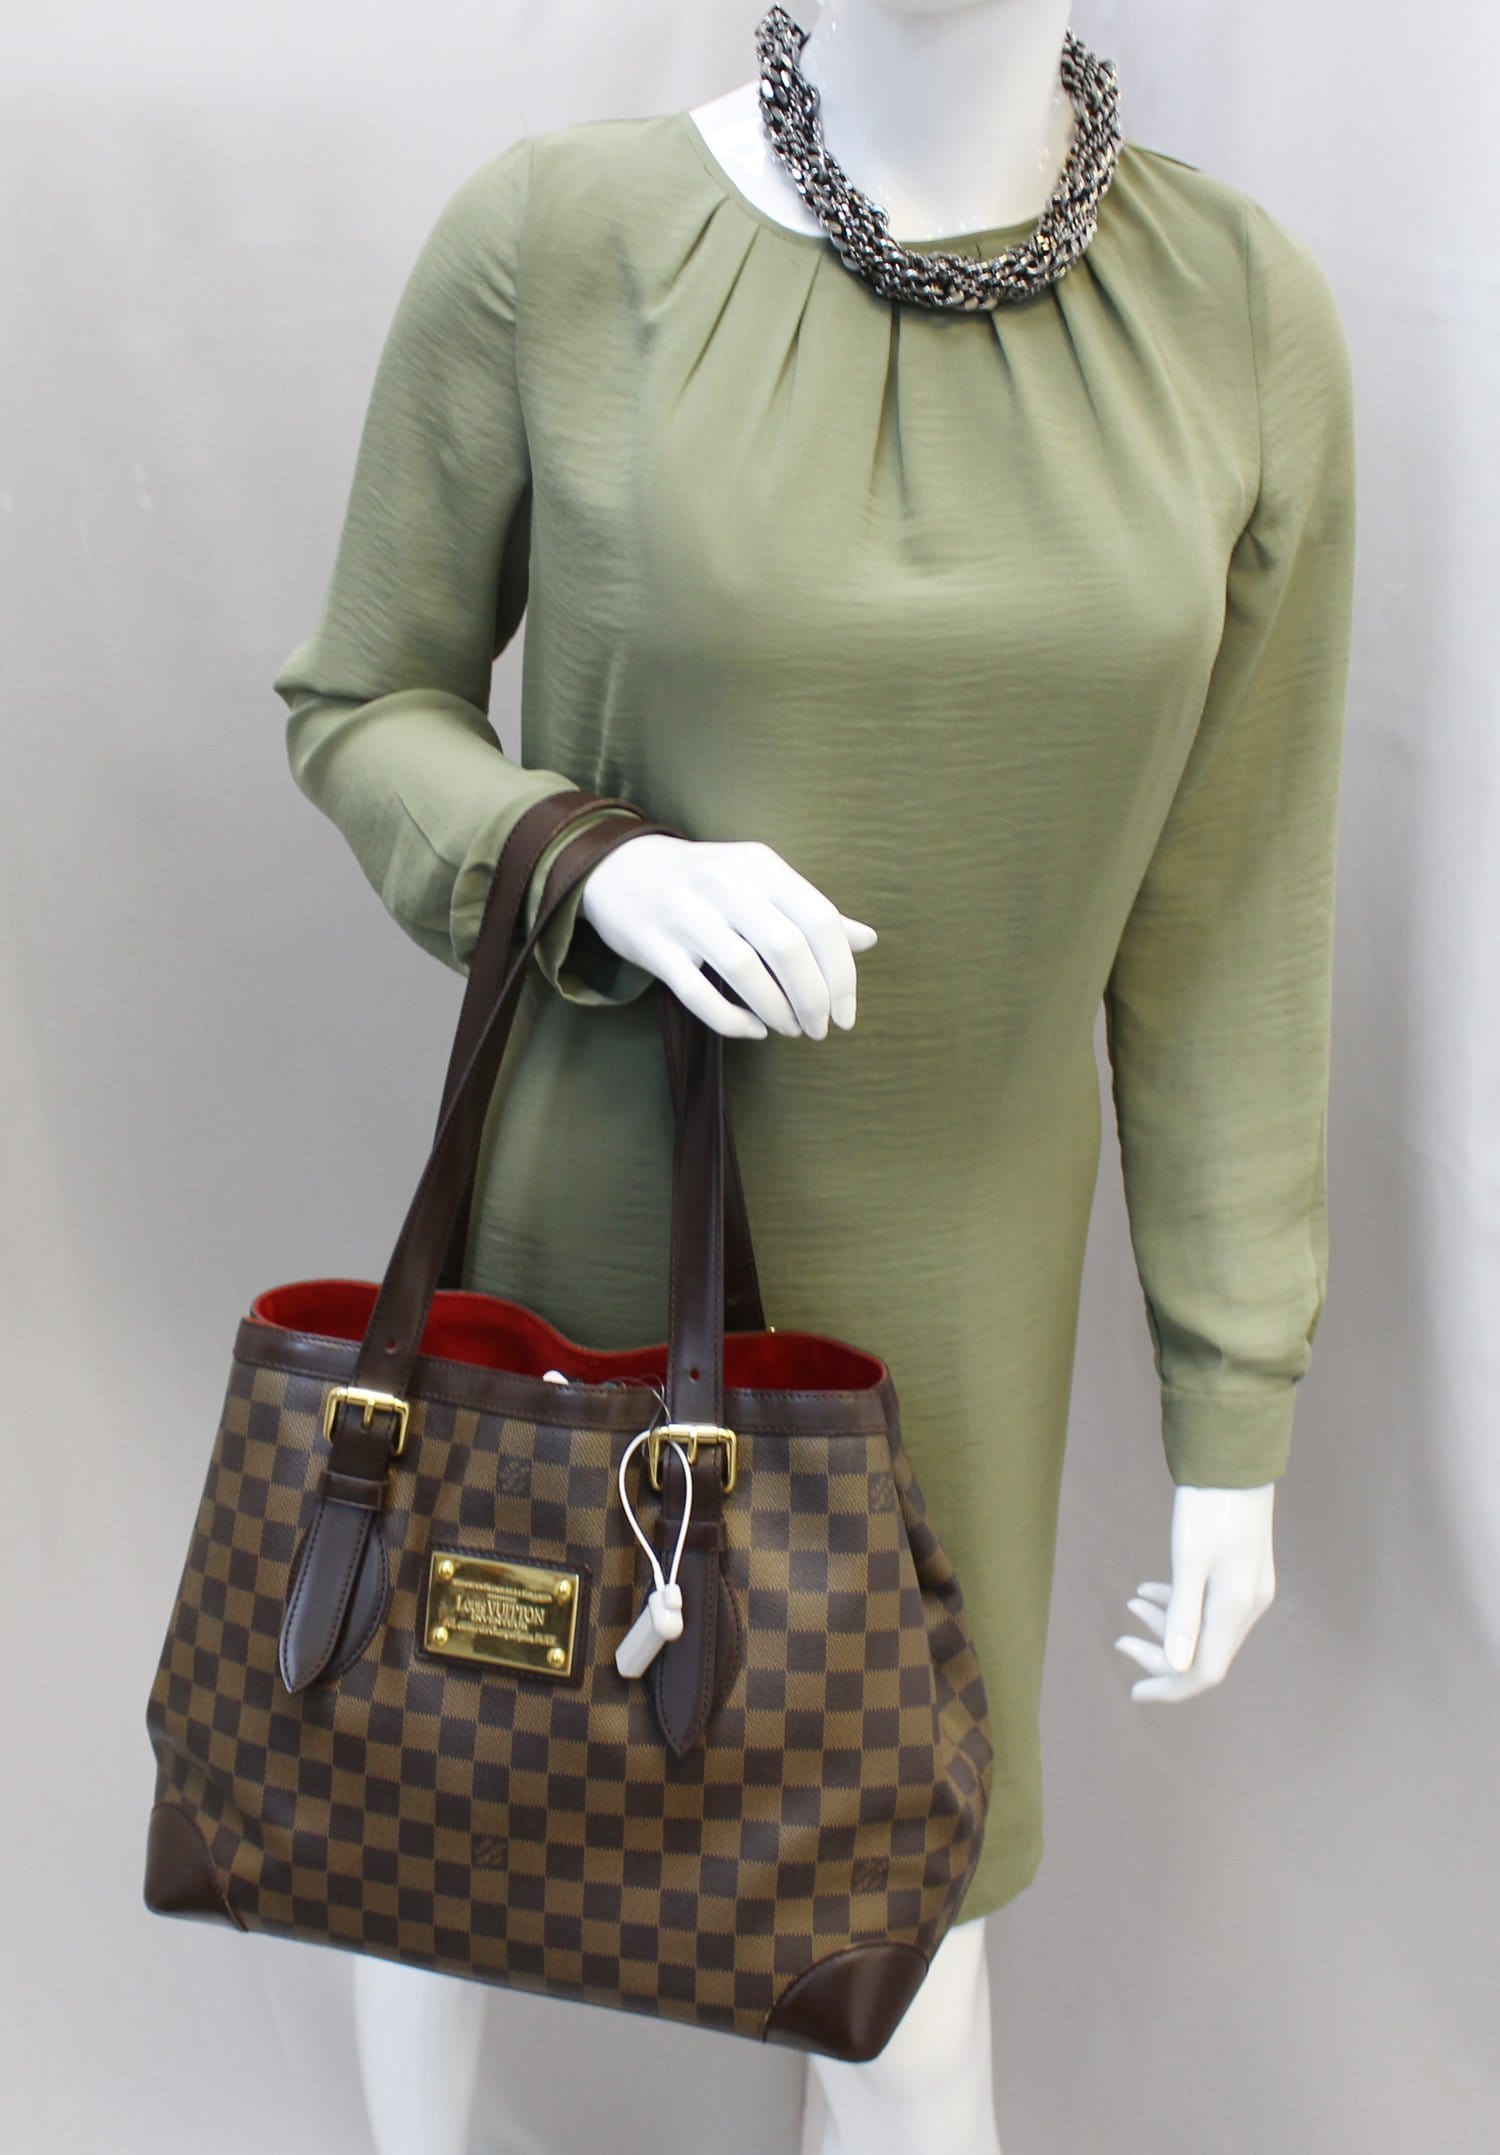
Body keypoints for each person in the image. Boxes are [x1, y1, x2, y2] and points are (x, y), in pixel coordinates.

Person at [272, 5, 1357, 2149]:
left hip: (956, 1304)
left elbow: (1231, 916)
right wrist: (595, 862)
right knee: (442, 1835)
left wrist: (1233, 1406)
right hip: (583, 1239)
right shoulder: (562, 241)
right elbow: (363, 700)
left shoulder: (1237, 313)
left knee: (903, 1964)